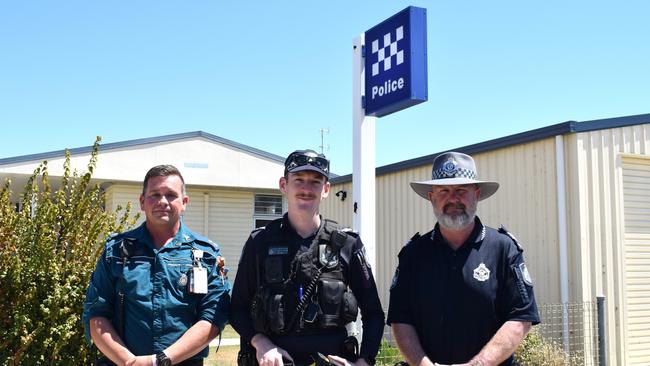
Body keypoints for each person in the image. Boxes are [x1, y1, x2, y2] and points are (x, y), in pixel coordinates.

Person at [230, 149, 385, 366]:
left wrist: (364, 360)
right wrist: (261, 343)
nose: (306, 188)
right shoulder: (260, 243)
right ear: (284, 185)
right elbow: (237, 309)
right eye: (299, 180)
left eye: (315, 182)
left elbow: (374, 313)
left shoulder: (346, 244)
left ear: (326, 189)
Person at [387, 152, 540, 366]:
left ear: (476, 194)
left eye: (461, 190)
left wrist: (478, 364)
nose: (453, 199)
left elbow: (521, 317)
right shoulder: (413, 254)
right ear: (431, 197)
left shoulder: (503, 249)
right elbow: (401, 319)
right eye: (444, 191)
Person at [83, 164, 230, 366]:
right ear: (142, 202)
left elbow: (214, 317)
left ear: (184, 202)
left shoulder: (206, 255)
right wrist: (130, 363)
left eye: (171, 195)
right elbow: (97, 314)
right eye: (154, 195)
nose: (162, 201)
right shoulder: (116, 251)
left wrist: (159, 361)